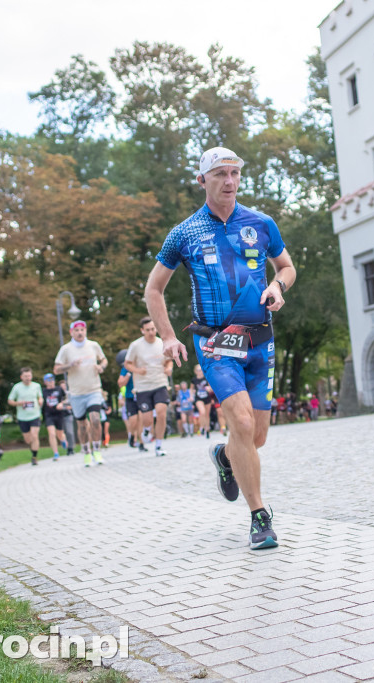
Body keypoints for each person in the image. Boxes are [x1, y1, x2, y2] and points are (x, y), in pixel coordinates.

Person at [144, 146, 296, 550]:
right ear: (203, 181)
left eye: (234, 173)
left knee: (256, 437)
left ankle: (226, 458)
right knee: (242, 425)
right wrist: (169, 337)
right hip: (213, 342)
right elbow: (153, 288)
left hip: (259, 339)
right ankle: (259, 517)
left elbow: (286, 266)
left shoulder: (261, 223)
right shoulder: (184, 233)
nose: (229, 181)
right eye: (220, 174)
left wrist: (276, 286)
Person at [53, 320, 108, 467]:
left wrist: (101, 366)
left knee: (95, 419)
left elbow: (104, 360)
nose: (79, 332)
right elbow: (56, 369)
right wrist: (70, 365)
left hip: (94, 389)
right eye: (76, 330)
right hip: (77, 393)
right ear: (71, 332)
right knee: (82, 425)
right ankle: (86, 452)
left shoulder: (93, 345)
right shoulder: (66, 349)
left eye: (82, 330)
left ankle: (97, 450)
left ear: (85, 331)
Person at [124, 316, 173, 457]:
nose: (151, 332)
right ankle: (146, 430)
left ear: (156, 328)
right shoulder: (135, 346)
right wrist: (138, 370)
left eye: (153, 329)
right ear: (142, 331)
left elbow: (169, 361)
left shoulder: (162, 343)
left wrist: (169, 368)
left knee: (162, 412)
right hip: (143, 387)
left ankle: (158, 445)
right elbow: (127, 363)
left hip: (160, 383)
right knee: (147, 419)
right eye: (147, 330)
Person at [7, 367, 44, 465]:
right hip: (22, 417)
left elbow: (40, 397)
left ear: (31, 376)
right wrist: (19, 403)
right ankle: (33, 450)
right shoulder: (17, 387)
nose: (28, 378)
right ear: (21, 377)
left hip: (35, 415)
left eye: (29, 376)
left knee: (34, 435)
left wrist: (40, 400)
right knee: (28, 439)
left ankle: (34, 457)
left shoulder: (36, 386)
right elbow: (10, 401)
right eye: (25, 376)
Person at [117, 350, 144, 451]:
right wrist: (128, 374)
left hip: (141, 395)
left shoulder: (139, 365)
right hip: (130, 397)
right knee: (133, 422)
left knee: (141, 419)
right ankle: (132, 435)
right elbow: (120, 383)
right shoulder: (125, 369)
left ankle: (141, 443)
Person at [41, 373, 69, 460]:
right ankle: (55, 453)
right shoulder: (43, 391)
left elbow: (67, 398)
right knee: (52, 434)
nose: (51, 381)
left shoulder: (59, 389)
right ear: (45, 382)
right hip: (49, 414)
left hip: (59, 414)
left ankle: (63, 440)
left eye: (52, 379)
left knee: (59, 434)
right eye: (48, 380)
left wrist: (62, 403)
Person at [192, 365, 212, 438]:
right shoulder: (194, 380)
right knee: (202, 412)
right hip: (198, 398)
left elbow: (211, 387)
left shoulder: (206, 378)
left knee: (206, 415)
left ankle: (207, 429)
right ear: (195, 371)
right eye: (198, 370)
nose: (199, 371)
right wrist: (191, 396)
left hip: (207, 398)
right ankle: (202, 427)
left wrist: (209, 388)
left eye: (200, 370)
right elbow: (191, 389)